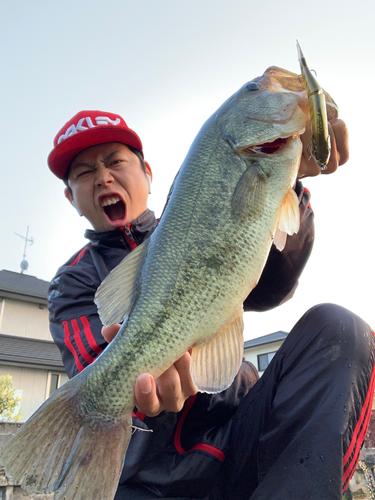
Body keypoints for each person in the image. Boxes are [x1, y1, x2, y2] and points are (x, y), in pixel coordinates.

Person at [48, 109, 373, 500]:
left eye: (115, 161)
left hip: (240, 439)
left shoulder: (201, 209)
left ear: (147, 174)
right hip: (151, 482)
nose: (103, 177)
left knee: (339, 329)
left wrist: (290, 179)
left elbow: (271, 284)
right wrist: (182, 379)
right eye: (84, 172)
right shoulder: (73, 281)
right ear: (71, 197)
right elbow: (100, 369)